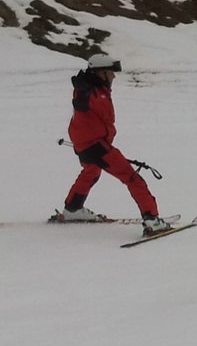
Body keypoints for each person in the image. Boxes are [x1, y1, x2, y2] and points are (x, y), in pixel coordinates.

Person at [58, 53, 170, 234]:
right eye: (110, 72)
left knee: (91, 172)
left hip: (83, 144)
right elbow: (104, 120)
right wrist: (106, 149)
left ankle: (73, 208)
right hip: (95, 145)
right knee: (133, 178)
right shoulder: (95, 95)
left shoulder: (88, 89)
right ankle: (152, 220)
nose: (114, 76)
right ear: (99, 73)